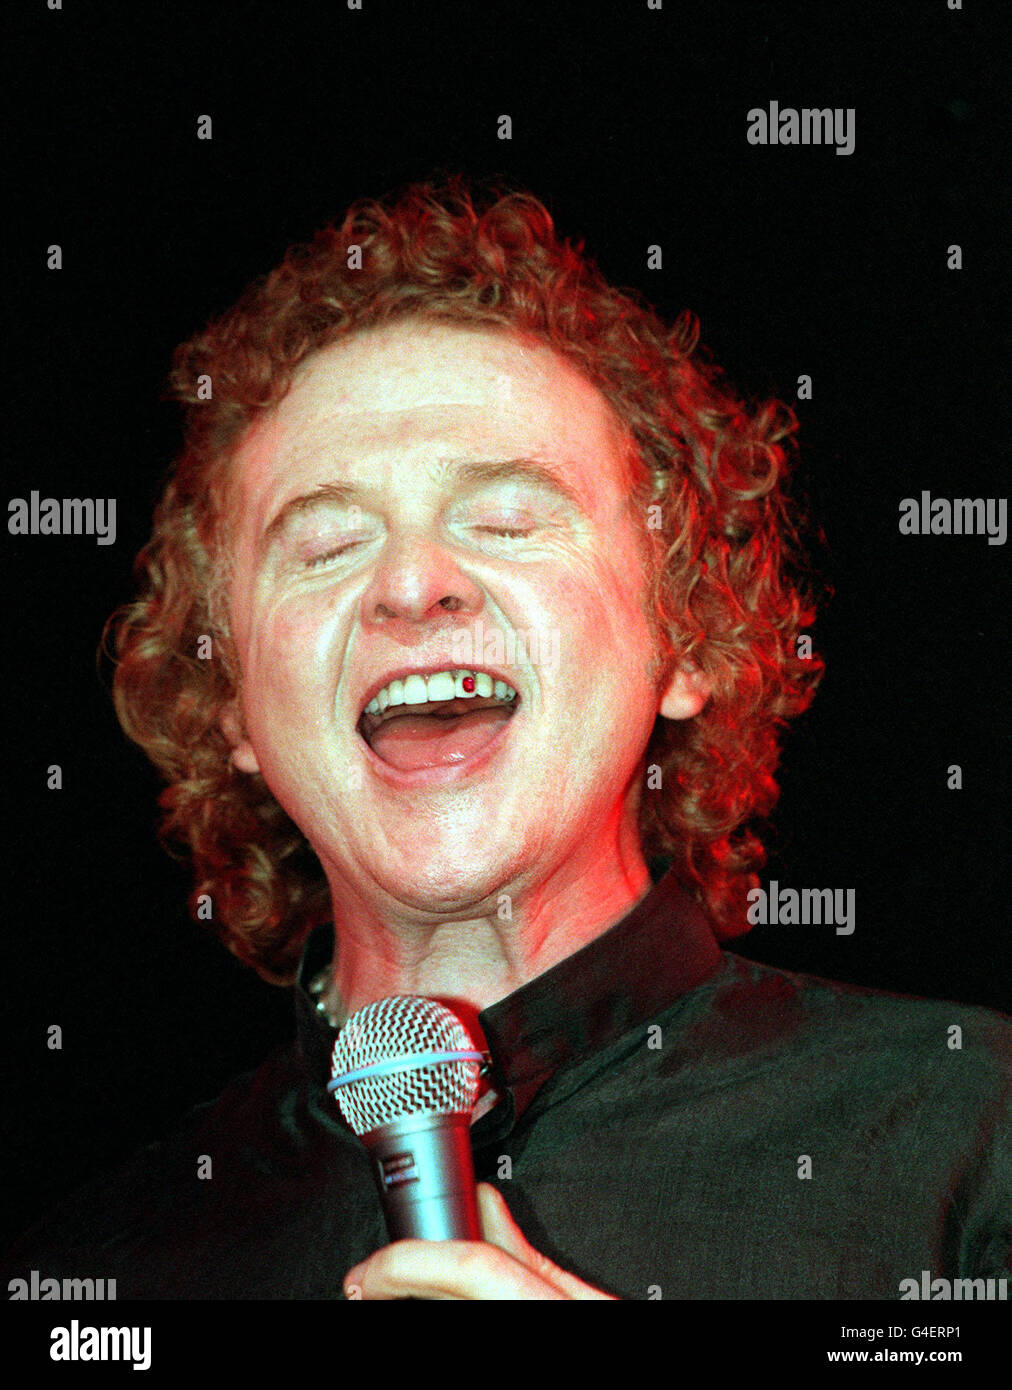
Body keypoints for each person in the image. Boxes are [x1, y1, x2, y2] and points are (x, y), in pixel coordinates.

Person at [6, 179, 1008, 1301]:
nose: (411, 582)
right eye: (327, 542)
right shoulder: (96, 1269)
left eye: (505, 521)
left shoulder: (970, 1136)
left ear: (685, 640)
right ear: (233, 703)